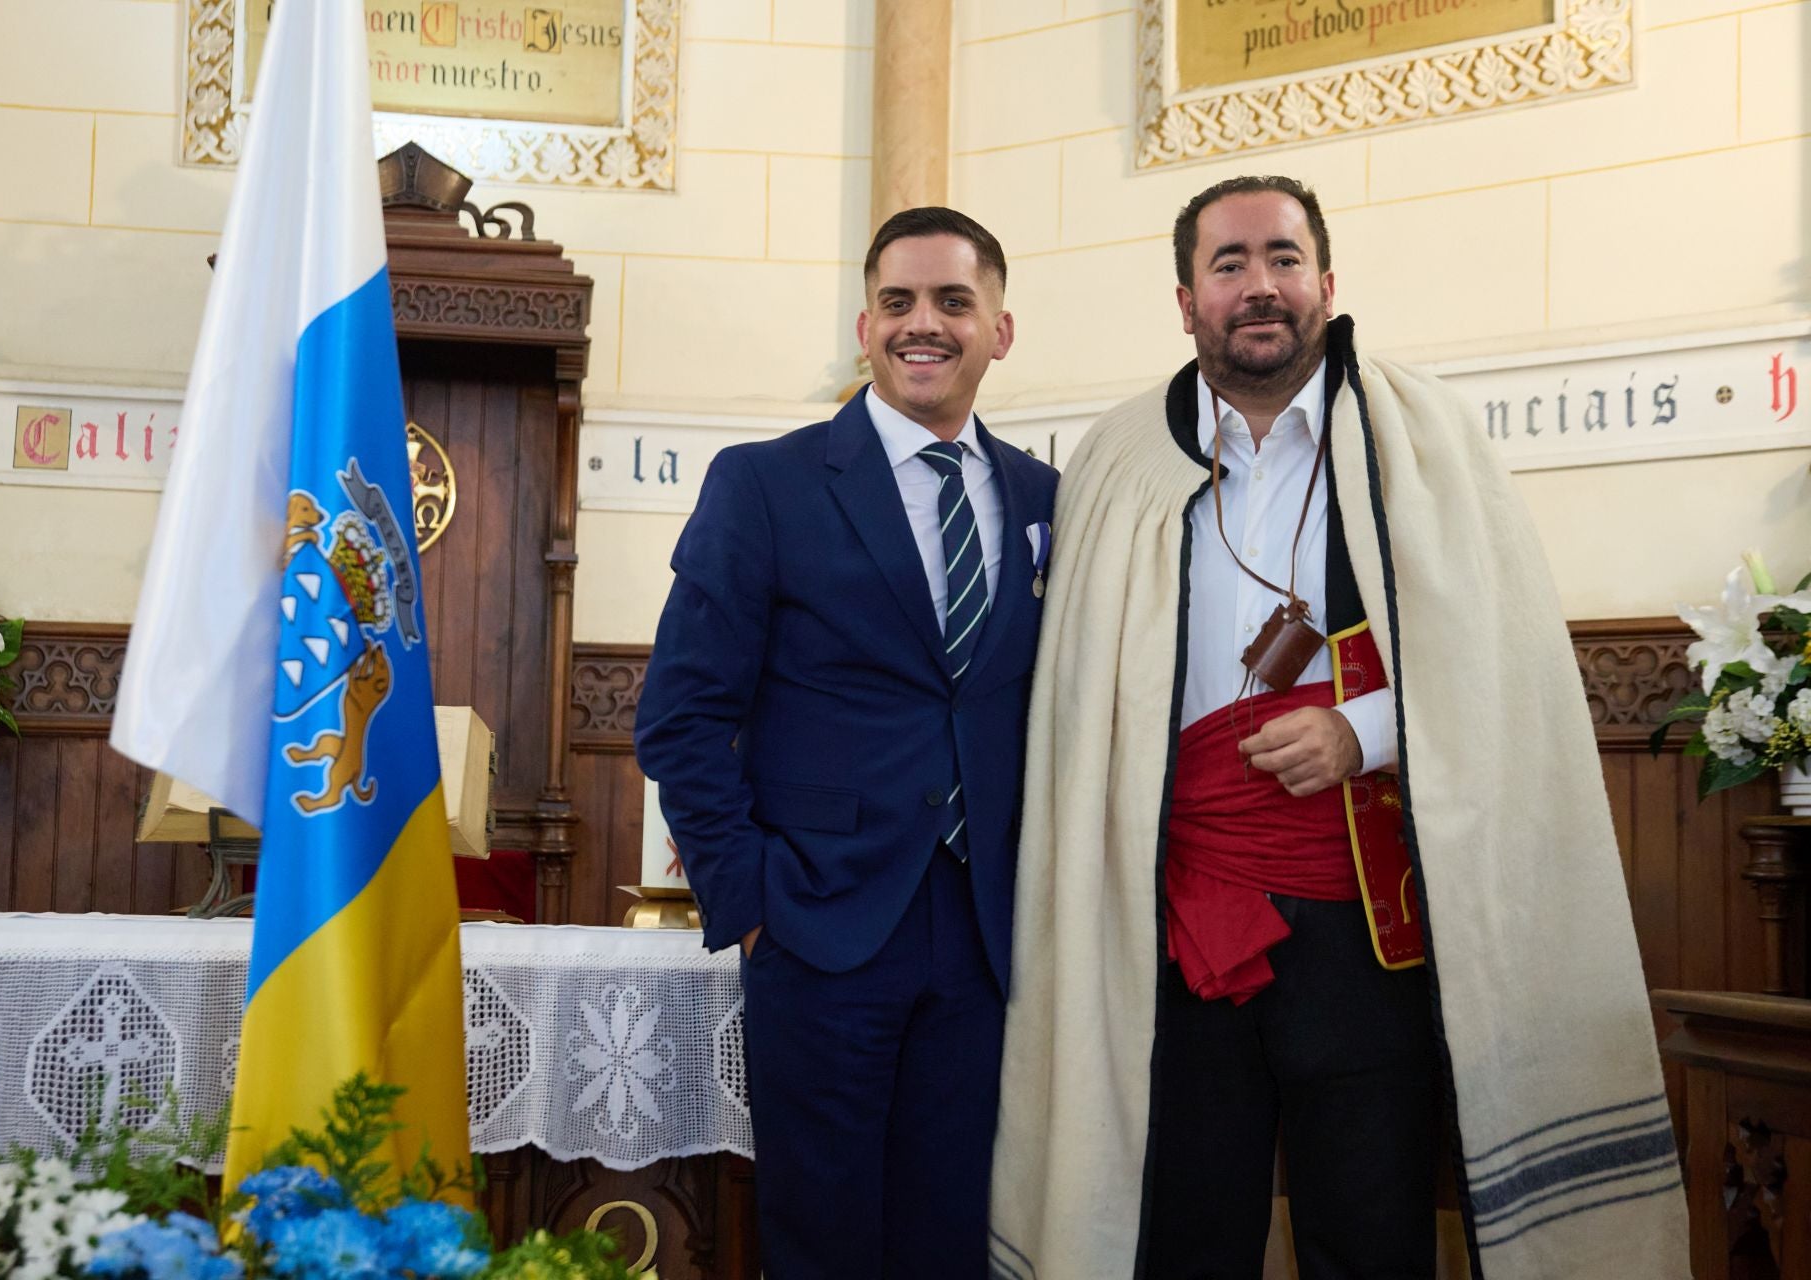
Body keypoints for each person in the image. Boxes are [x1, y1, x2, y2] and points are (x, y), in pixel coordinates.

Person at [986, 176, 1688, 1280]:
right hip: (1175, 921)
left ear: (1326, 280)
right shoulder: (1122, 458)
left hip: (1367, 925)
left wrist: (1366, 729)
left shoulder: (1425, 438)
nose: (1258, 286)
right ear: (1185, 300)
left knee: (1368, 1230)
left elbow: (1503, 667)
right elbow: (1083, 700)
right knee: (1180, 1228)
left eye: (1282, 257)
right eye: (1229, 265)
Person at [635, 206, 1058, 1279]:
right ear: (866, 325)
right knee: (822, 1241)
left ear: (1000, 329)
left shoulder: (1052, 500)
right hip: (818, 927)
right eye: (901, 302)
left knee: (952, 1240)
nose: (926, 324)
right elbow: (680, 713)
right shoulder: (766, 484)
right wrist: (753, 897)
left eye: (955, 302)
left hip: (985, 935)